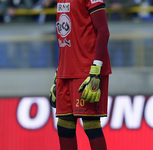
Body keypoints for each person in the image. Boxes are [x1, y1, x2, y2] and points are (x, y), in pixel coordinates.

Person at [49, 0, 112, 150]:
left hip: (87, 70)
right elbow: (65, 36)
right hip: (65, 70)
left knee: (91, 125)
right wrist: (58, 73)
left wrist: (96, 69)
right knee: (64, 126)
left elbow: (103, 31)